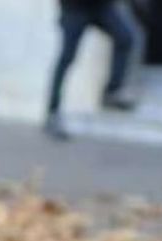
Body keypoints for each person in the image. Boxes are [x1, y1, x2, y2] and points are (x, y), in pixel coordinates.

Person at [44, 0, 140, 141]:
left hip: (100, 7)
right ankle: (52, 113)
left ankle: (112, 91)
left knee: (125, 38)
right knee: (66, 58)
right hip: (74, 9)